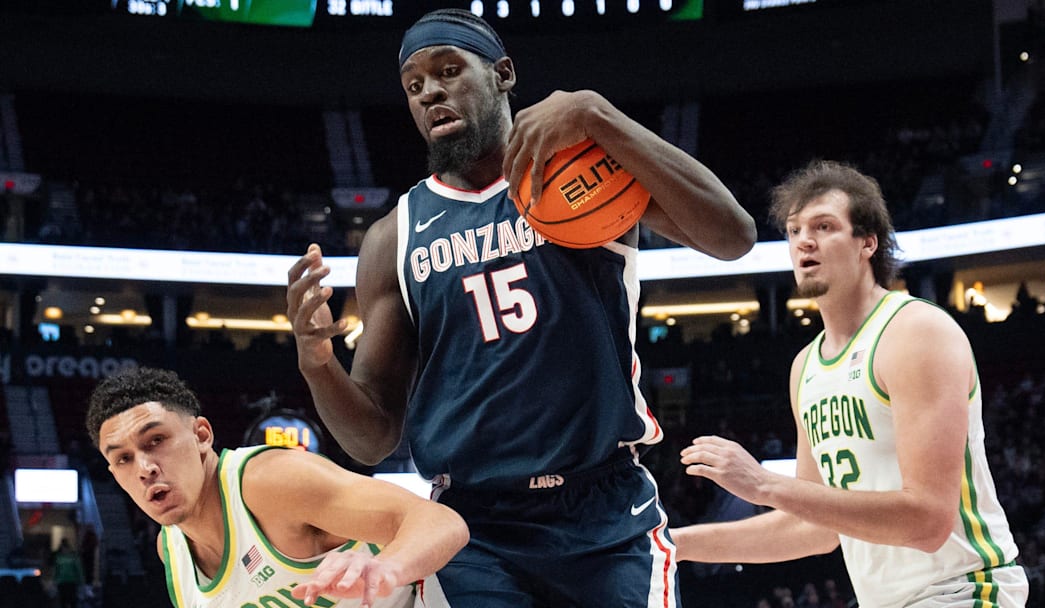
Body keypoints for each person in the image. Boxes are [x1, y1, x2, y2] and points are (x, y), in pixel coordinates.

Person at [286, 8, 756, 607]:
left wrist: (596, 114)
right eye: (413, 85)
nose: (430, 91)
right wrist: (317, 363)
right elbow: (373, 438)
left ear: (503, 73)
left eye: (449, 70)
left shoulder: (582, 169)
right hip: (472, 529)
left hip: (604, 510)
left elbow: (733, 235)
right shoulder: (393, 236)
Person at [671, 160, 1028, 607]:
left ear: (867, 243)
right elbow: (813, 527)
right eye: (794, 229)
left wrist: (763, 485)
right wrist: (676, 545)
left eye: (824, 226)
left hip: (964, 591)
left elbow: (928, 521)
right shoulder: (806, 366)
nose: (804, 240)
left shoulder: (914, 331)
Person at [85, 366, 468, 608]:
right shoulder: (172, 552)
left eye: (156, 440)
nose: (145, 468)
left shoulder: (269, 483)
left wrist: (385, 567)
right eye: (123, 458)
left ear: (202, 434)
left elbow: (442, 522)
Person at [50, 538, 84, 608]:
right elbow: (79, 570)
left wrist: (54, 581)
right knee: (73, 601)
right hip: (72, 581)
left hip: (61, 582)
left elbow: (55, 570)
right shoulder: (74, 557)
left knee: (63, 601)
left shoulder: (58, 558)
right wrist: (81, 581)